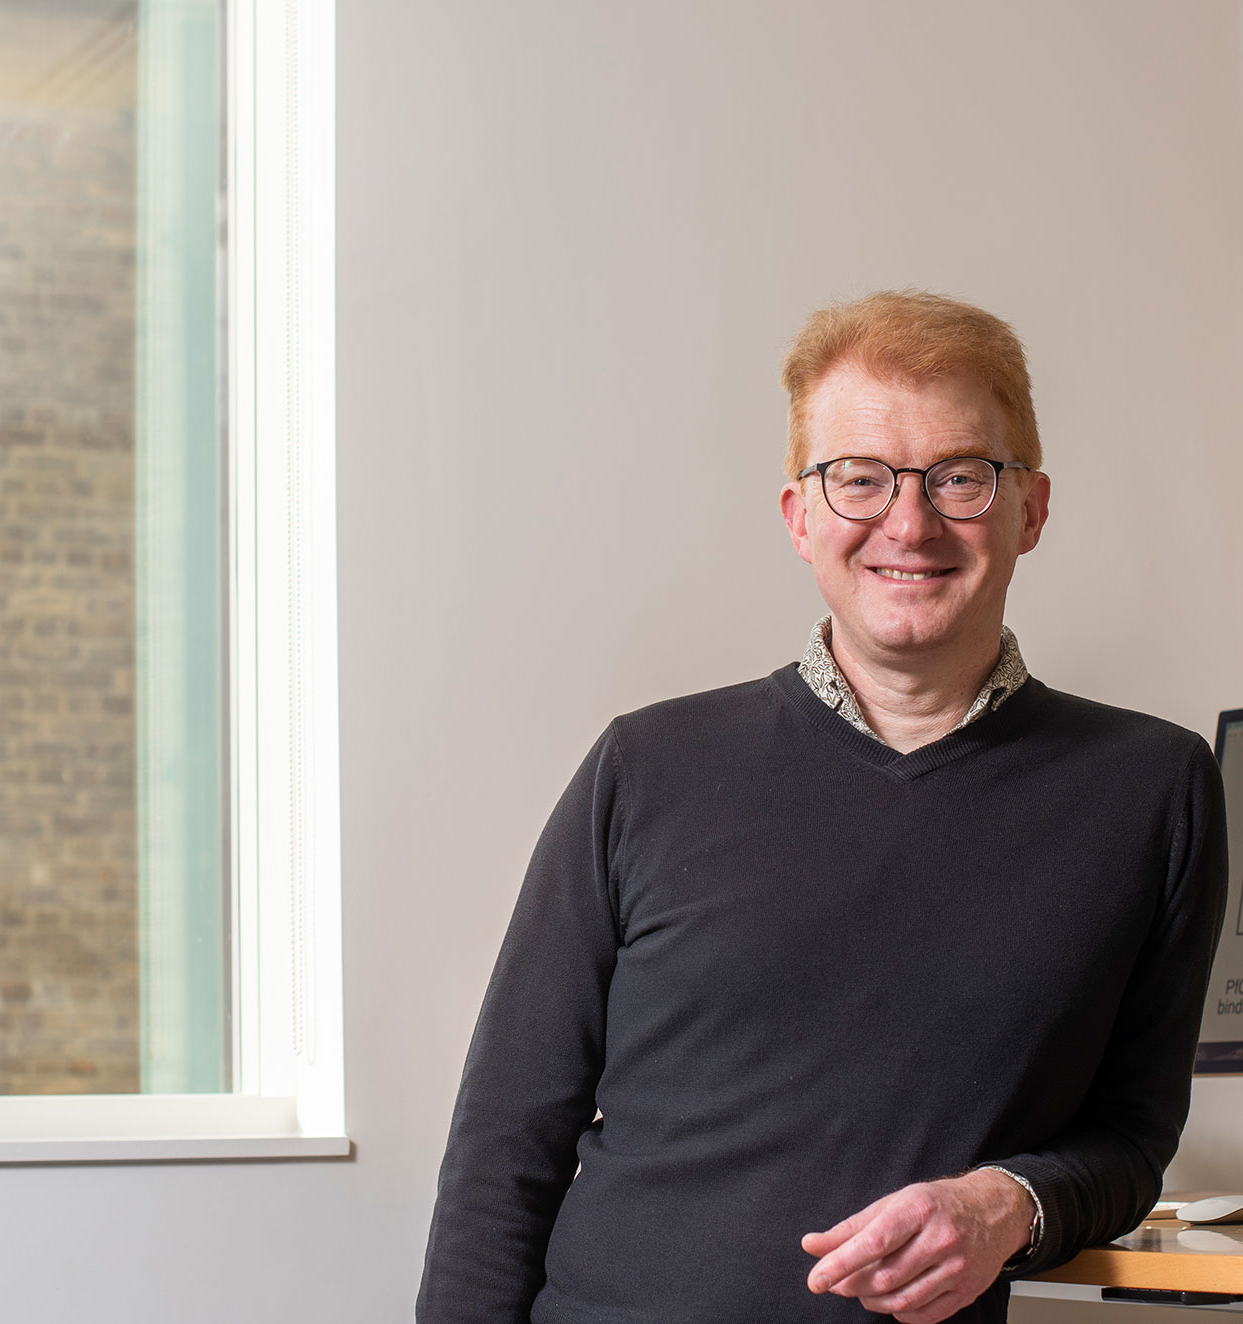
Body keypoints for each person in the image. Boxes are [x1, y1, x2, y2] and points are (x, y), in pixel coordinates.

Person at [415, 290, 1228, 1324]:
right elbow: (505, 1142)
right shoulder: (647, 766)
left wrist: (1007, 1204)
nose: (910, 520)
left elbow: (1130, 1138)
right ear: (802, 518)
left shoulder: (1153, 790)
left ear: (1032, 508)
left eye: (961, 476)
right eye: (861, 479)